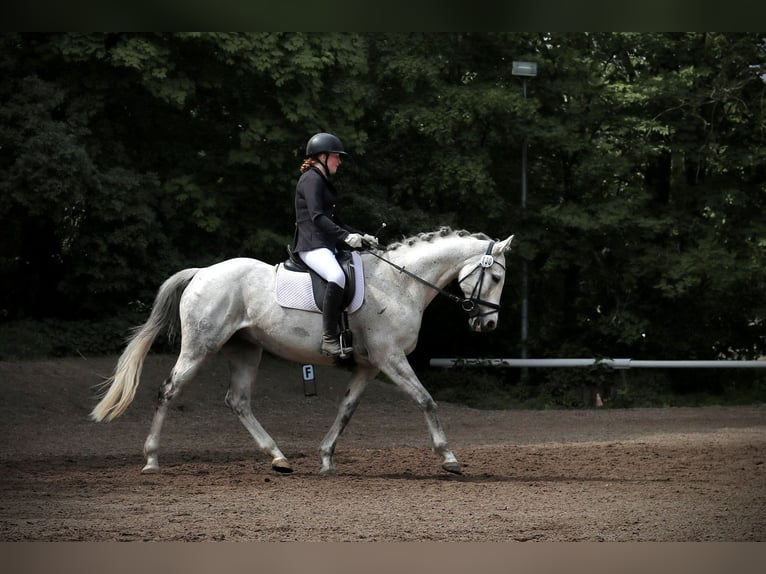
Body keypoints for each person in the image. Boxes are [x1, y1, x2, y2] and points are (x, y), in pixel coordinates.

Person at [292, 132, 378, 357]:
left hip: (325, 244)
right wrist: (345, 237)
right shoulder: (311, 179)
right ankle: (329, 338)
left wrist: (362, 235)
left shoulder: (322, 181)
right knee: (337, 277)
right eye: (336, 157)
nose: (339, 161)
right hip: (311, 245)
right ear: (322, 156)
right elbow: (317, 217)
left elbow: (335, 221)